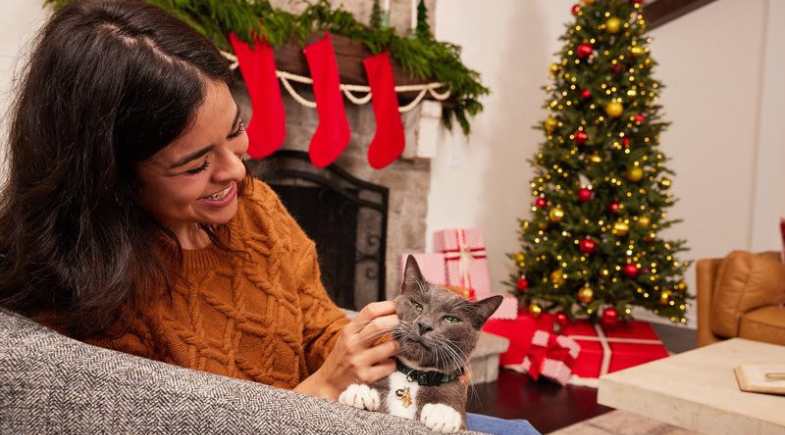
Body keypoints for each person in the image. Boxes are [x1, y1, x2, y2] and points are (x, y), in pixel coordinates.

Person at [0, 1, 538, 434]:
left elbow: (313, 319)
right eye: (195, 163)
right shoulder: (84, 301)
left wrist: (383, 350)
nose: (236, 170)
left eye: (235, 130)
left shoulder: (252, 208)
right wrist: (324, 387)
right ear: (110, 176)